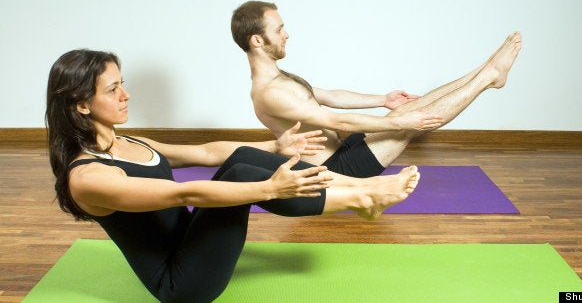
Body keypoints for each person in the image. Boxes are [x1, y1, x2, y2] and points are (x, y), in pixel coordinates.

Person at [45, 49, 420, 302]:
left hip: (191, 242)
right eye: (113, 89)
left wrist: (276, 146)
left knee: (241, 159)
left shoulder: (128, 141)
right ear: (81, 104)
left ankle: (362, 191)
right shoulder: (88, 177)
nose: (126, 95)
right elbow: (185, 195)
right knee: (242, 175)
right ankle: (360, 197)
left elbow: (207, 152)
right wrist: (269, 188)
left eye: (122, 82)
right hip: (182, 282)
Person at [231, 1, 522, 178]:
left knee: (406, 114)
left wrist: (383, 101)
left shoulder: (280, 78)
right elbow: (335, 120)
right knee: (407, 123)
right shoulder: (269, 92)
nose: (286, 33)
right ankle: (489, 77)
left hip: (343, 150)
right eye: (279, 29)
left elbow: (331, 97)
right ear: (257, 41)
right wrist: (396, 122)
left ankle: (485, 71)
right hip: (335, 171)